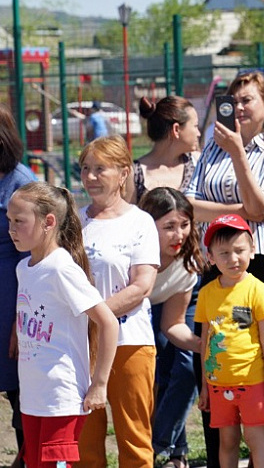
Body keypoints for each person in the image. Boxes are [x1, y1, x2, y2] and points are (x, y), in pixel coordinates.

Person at [185, 71, 264, 468]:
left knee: (263, 363)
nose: (241, 107)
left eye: (249, 100)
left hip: (258, 268)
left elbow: (262, 206)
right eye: (235, 100)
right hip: (213, 268)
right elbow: (188, 204)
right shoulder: (210, 148)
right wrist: (237, 213)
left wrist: (238, 154)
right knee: (216, 355)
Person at [9, 182, 118, 468]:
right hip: (33, 398)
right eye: (9, 220)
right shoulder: (23, 268)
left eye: (19, 221)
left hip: (61, 398)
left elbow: (108, 322)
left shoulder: (61, 268)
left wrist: (99, 384)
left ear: (48, 222)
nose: (11, 229)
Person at [77, 135, 162, 468]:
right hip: (81, 345)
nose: (90, 176)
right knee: (84, 445)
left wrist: (95, 315)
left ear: (124, 173)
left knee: (134, 441)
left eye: (100, 169)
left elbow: (141, 286)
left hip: (130, 343)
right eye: (85, 168)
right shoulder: (73, 220)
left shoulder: (139, 222)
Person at [195, 214, 264, 468]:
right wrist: (204, 385)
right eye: (224, 253)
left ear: (252, 249)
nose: (233, 259)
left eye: (239, 250)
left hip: (252, 381)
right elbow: (205, 342)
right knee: (227, 441)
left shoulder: (258, 289)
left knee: (256, 438)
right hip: (218, 384)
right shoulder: (206, 294)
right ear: (210, 257)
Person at [138, 187, 206, 468]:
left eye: (185, 225)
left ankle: (157, 447)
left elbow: (173, 325)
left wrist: (203, 345)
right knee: (156, 373)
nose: (179, 235)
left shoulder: (187, 262)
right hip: (134, 310)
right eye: (169, 227)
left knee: (189, 367)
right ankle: (172, 450)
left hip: (170, 306)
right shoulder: (132, 255)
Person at [0, 103, 36, 466]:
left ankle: (29, 457)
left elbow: (39, 253)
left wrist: (19, 320)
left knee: (22, 390)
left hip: (10, 302)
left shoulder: (21, 182)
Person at [130, 96, 202, 204]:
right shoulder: (135, 174)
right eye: (195, 126)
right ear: (176, 129)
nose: (198, 133)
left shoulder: (198, 163)